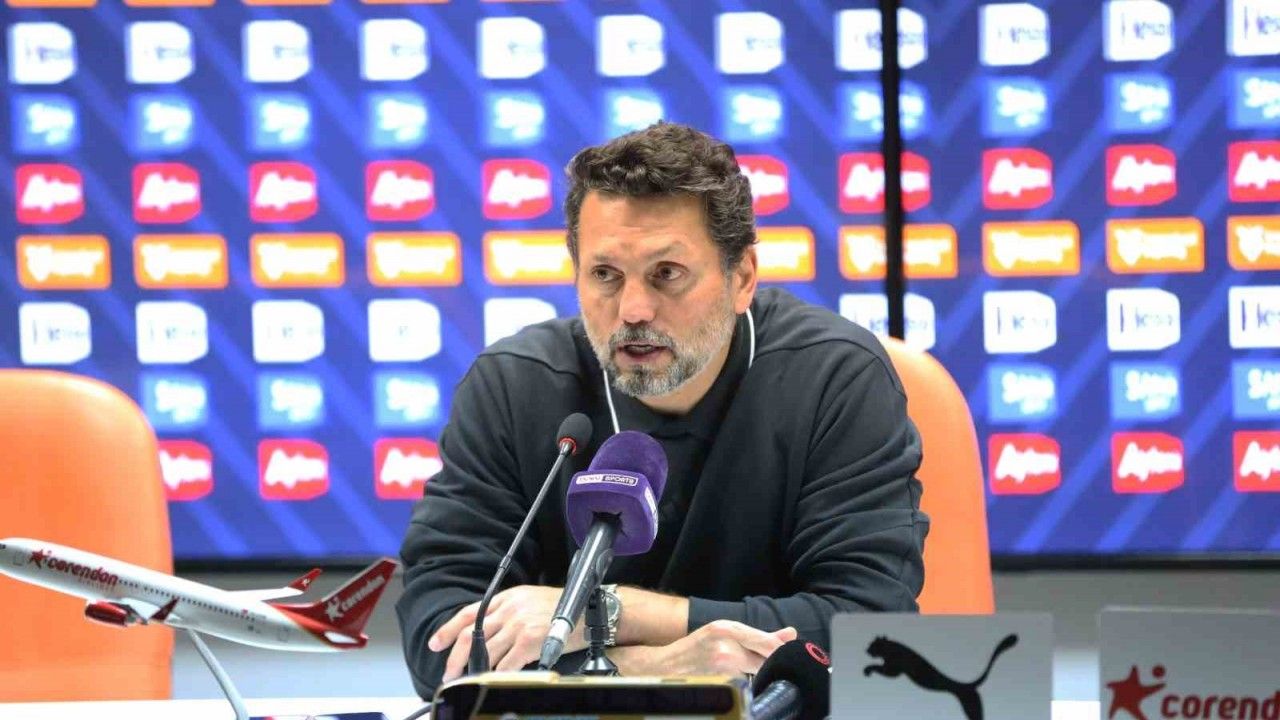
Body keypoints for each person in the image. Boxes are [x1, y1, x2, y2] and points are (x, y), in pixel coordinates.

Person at [396, 121, 929, 699]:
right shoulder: (513, 387)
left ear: (742, 277)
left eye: (666, 274)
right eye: (605, 275)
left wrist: (608, 612)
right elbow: (439, 643)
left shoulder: (834, 379)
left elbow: (870, 629)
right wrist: (663, 665)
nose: (633, 309)